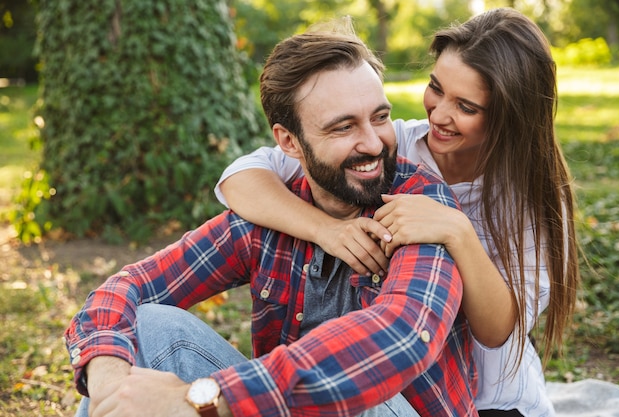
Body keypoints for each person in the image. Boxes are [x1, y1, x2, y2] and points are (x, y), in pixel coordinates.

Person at [65, 20, 479, 417]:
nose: (372, 143)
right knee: (150, 324)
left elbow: (401, 337)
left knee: (352, 383)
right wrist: (107, 381)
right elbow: (128, 286)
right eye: (342, 128)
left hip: (388, 408)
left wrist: (199, 401)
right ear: (289, 142)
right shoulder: (273, 215)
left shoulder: (420, 204)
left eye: (380, 117)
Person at [216, 8, 579, 417]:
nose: (439, 114)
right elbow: (240, 178)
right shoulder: (390, 145)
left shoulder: (533, 200)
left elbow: (498, 332)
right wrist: (326, 230)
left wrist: (457, 231)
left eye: (466, 106)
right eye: (436, 88)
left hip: (489, 403)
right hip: (397, 385)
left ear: (510, 117)